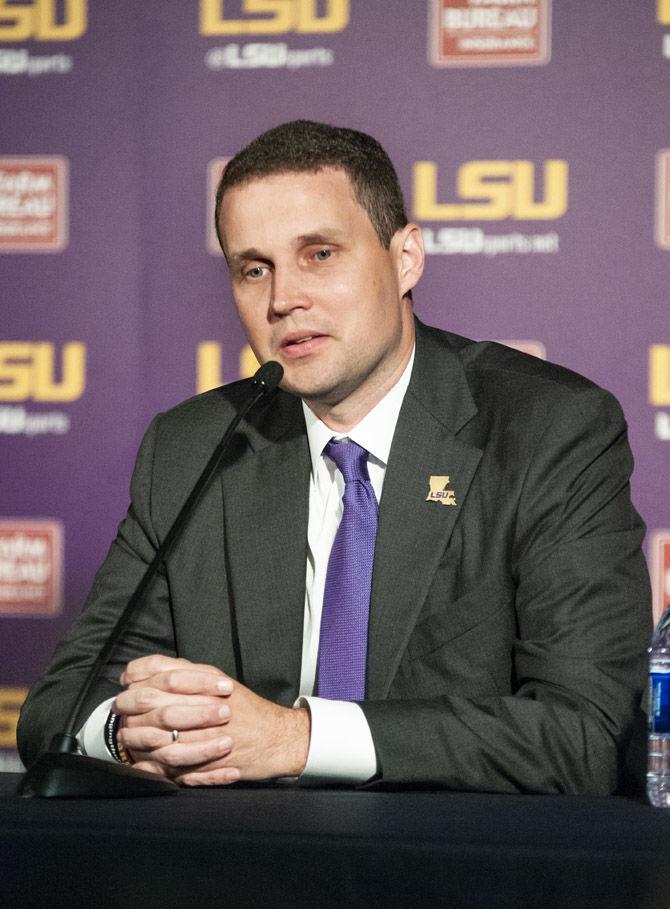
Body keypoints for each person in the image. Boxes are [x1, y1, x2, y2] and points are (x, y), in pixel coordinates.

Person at [17, 120, 652, 793]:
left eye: (319, 254)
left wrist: (296, 738)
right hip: (240, 878)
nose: (283, 298)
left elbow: (589, 733)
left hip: (458, 879)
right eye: (253, 268)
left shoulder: (547, 430)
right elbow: (58, 709)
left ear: (405, 258)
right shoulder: (195, 446)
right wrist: (126, 729)